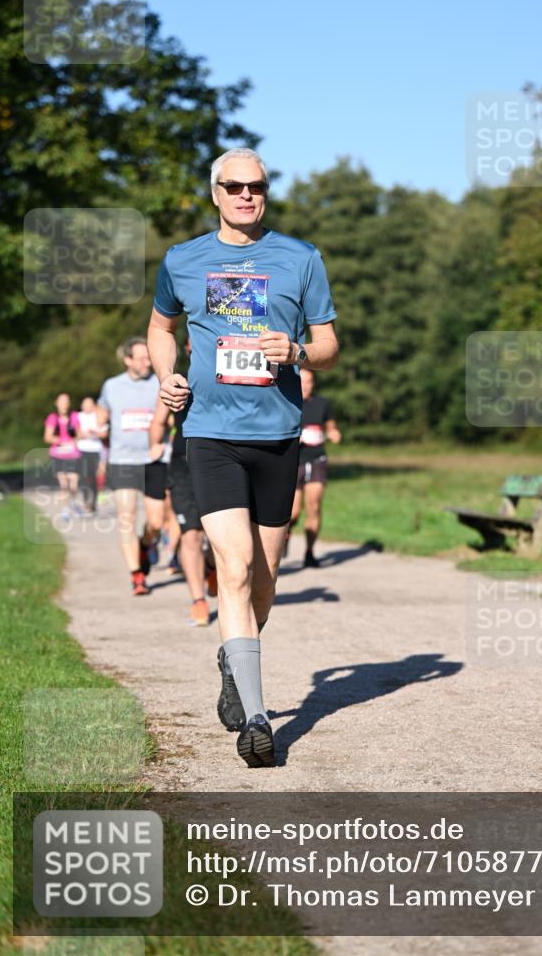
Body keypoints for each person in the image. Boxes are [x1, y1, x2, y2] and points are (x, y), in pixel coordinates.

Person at [148, 147, 338, 767]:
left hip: (278, 435)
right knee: (231, 567)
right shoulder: (182, 260)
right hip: (209, 434)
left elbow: (330, 344)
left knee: (265, 577)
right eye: (234, 187)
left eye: (256, 186)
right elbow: (160, 329)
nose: (246, 196)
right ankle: (258, 720)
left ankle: (234, 657)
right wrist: (166, 377)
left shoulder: (301, 258)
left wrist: (298, 352)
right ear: (216, 193)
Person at [149, 337, 218, 627]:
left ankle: (214, 568)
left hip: (219, 463)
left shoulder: (226, 375)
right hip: (182, 465)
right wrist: (155, 443)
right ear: (187, 347)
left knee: (219, 537)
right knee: (190, 535)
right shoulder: (178, 380)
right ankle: (198, 601)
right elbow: (159, 421)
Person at [96, 337, 165, 596]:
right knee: (127, 517)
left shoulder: (159, 382)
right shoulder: (112, 386)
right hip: (122, 460)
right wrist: (99, 426)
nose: (147, 362)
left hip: (154, 459)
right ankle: (137, 575)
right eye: (141, 358)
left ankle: (145, 545)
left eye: (149, 357)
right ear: (128, 360)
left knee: (156, 523)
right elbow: (102, 414)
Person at [287, 368, 341, 567]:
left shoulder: (322, 404)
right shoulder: (288, 402)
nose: (305, 386)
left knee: (314, 507)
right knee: (293, 513)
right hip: (295, 461)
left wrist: (334, 433)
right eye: (302, 381)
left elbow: (331, 426)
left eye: (309, 382)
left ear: (313, 383)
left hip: (317, 460)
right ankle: (286, 531)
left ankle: (309, 552)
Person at [43, 393, 81, 521]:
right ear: (56, 403)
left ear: (69, 404)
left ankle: (74, 502)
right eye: (62, 402)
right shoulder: (52, 418)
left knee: (74, 484)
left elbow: (80, 435)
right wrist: (61, 441)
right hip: (58, 455)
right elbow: (47, 437)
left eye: (66, 402)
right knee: (64, 484)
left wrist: (74, 440)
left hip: (73, 454)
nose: (64, 404)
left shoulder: (74, 416)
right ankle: (65, 510)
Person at [76, 396, 107, 514]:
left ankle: (93, 502)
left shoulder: (98, 417)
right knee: (83, 477)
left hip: (95, 450)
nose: (87, 407)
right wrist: (81, 434)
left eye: (89, 404)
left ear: (93, 405)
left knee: (93, 478)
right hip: (81, 449)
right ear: (82, 406)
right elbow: (74, 432)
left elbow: (104, 433)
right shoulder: (78, 416)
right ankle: (85, 502)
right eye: (85, 404)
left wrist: (94, 432)